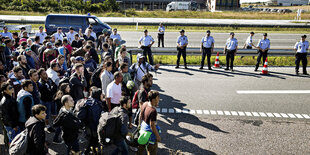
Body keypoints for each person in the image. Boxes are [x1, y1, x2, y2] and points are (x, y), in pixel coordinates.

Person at [76, 88, 104, 154]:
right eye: (101, 94)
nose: (103, 95)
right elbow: (95, 118)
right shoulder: (96, 104)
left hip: (87, 125)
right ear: (98, 95)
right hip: (93, 127)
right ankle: (89, 152)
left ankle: (91, 151)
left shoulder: (89, 100)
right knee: (94, 140)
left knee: (91, 140)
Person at [137, 90, 161, 155]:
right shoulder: (153, 111)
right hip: (150, 134)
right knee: (152, 150)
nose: (159, 100)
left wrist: (139, 125)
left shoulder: (145, 104)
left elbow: (140, 115)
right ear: (153, 99)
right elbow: (152, 125)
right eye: (157, 98)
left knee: (141, 147)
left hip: (143, 130)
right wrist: (158, 136)